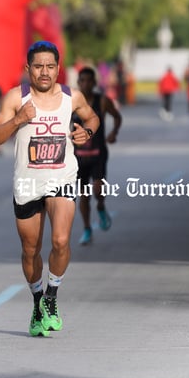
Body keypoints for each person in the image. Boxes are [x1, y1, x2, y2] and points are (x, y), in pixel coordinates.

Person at [0, 41, 100, 337]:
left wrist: (85, 132)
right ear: (28, 69)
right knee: (30, 249)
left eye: (50, 66)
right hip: (27, 182)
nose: (44, 72)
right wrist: (18, 119)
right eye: (38, 67)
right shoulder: (16, 98)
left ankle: (51, 297)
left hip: (62, 176)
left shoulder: (71, 97)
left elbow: (92, 118)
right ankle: (37, 301)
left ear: (58, 68)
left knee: (61, 241)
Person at [73, 66, 122, 245]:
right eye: (82, 80)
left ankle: (101, 206)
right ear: (78, 83)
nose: (86, 84)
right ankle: (87, 229)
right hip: (78, 156)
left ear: (94, 82)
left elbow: (117, 116)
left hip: (98, 153)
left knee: (98, 189)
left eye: (89, 80)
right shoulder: (71, 103)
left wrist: (114, 132)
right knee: (83, 195)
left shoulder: (102, 101)